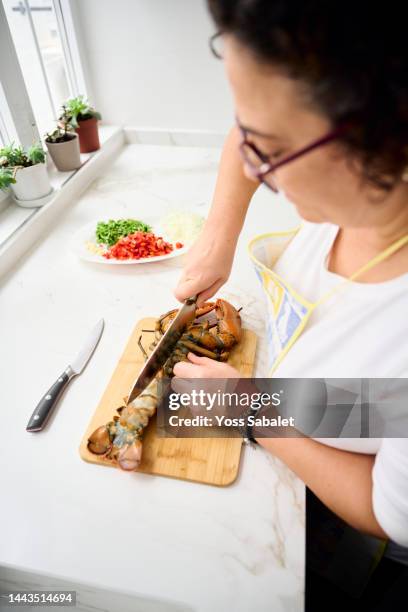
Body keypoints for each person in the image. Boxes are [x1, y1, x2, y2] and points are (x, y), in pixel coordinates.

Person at [172, 1, 408, 609]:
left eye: (270, 150)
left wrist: (251, 410)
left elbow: (387, 509)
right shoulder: (361, 197)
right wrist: (215, 242)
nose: (250, 158)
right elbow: (249, 129)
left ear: (380, 141)